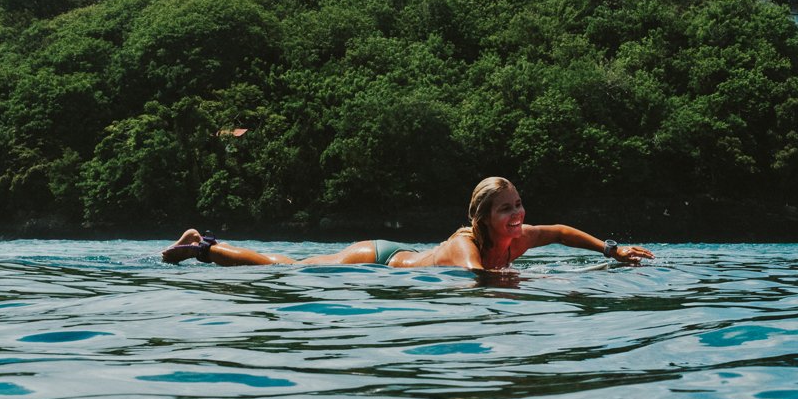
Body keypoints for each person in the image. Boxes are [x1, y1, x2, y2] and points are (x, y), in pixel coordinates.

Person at [162, 176, 654, 271]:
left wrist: (611, 251)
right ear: (483, 217)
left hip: (399, 252)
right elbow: (477, 279)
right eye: (507, 209)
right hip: (375, 258)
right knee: (284, 264)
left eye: (519, 204)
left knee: (286, 262)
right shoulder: (469, 245)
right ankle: (203, 246)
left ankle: (200, 246)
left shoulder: (519, 236)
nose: (519, 214)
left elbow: (564, 232)